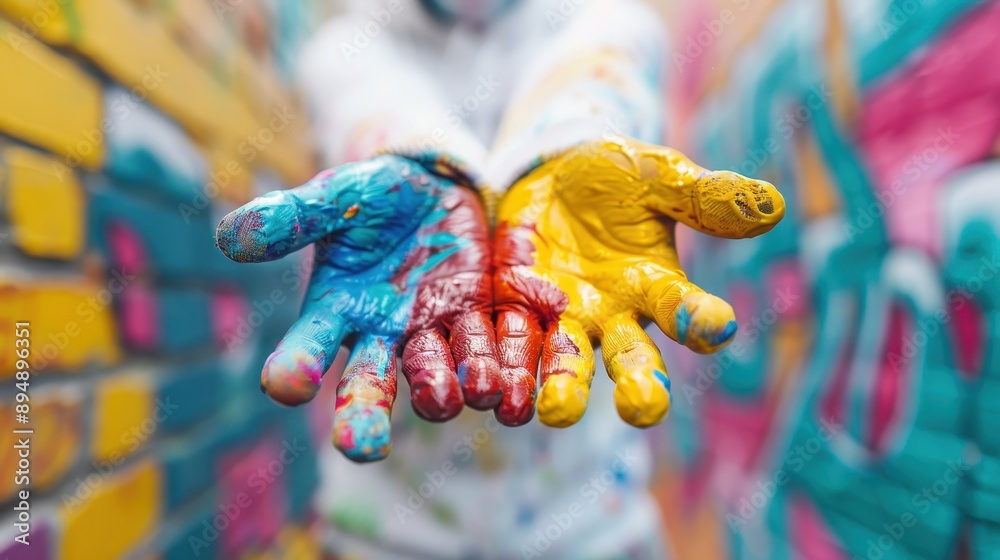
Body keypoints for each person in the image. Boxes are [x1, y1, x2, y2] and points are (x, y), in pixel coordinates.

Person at [215, 0, 785, 557]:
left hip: (594, 526)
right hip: (382, 531)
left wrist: (561, 153)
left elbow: (600, 68)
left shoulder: (610, 17)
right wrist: (431, 169)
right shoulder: (345, 46)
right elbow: (366, 92)